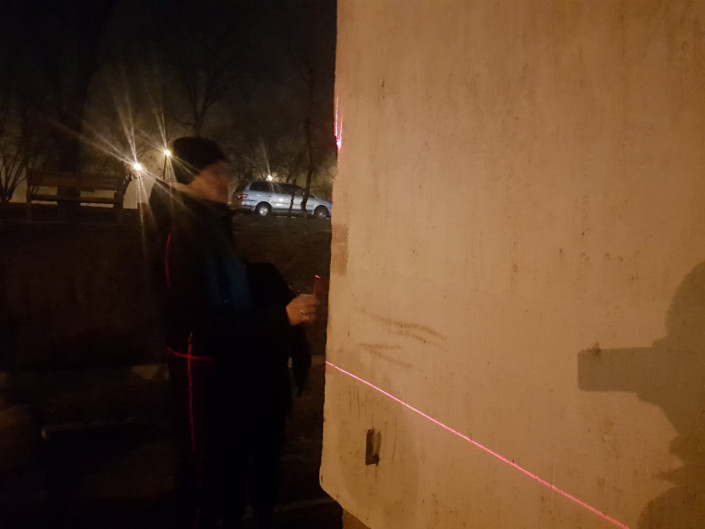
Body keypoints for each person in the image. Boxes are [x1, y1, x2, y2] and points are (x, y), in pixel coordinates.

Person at [148, 137, 318, 529]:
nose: (226, 180)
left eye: (227, 171)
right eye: (216, 172)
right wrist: (280, 318)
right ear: (191, 176)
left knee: (227, 467)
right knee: (203, 471)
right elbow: (197, 321)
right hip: (200, 371)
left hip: (227, 366)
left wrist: (275, 294)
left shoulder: (209, 222)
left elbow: (229, 293)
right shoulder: (179, 231)